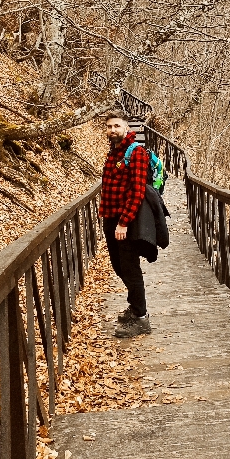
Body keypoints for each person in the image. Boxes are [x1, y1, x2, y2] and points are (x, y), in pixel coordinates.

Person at [99, 109, 152, 338]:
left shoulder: (136, 152)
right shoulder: (114, 152)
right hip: (110, 217)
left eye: (117, 126)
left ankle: (141, 318)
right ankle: (134, 306)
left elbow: (137, 191)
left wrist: (123, 222)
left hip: (125, 221)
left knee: (130, 268)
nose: (112, 130)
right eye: (109, 126)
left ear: (126, 128)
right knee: (119, 266)